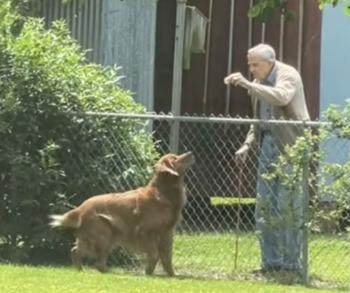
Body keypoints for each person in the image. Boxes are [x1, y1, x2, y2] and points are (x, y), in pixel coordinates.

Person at [224, 43, 310, 274]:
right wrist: (246, 145)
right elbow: (257, 120)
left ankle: (292, 265)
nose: (251, 69)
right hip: (267, 146)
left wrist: (247, 84)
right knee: (264, 206)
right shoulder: (258, 84)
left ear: (269, 62)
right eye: (249, 64)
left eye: (255, 64)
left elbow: (281, 98)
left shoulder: (288, 74)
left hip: (291, 146)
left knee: (288, 206)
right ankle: (270, 263)